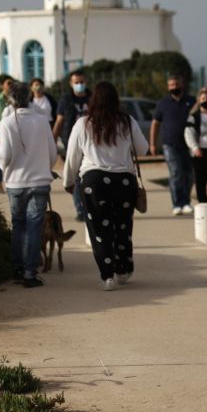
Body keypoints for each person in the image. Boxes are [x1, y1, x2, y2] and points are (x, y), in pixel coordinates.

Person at [62, 81, 149, 291]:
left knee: (99, 229)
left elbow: (72, 156)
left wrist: (68, 181)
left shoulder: (83, 123)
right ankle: (124, 269)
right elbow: (143, 149)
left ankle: (107, 275)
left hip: (94, 182)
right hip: (123, 182)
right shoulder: (127, 121)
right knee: (122, 226)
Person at [0, 80, 57, 289]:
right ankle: (30, 273)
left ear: (10, 99)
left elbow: (4, 156)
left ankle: (17, 268)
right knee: (34, 227)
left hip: (15, 182)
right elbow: (53, 153)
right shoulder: (41, 121)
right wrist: (44, 168)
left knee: (18, 225)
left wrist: (4, 170)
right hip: (40, 182)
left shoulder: (6, 122)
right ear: (30, 97)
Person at [149, 73, 196, 216]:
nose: (173, 87)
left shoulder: (191, 101)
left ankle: (186, 202)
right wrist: (152, 143)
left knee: (188, 174)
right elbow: (155, 123)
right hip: (170, 144)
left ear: (181, 85)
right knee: (176, 173)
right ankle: (177, 204)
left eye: (175, 85)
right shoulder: (163, 103)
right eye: (170, 85)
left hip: (188, 145)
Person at [53, 70, 92, 221]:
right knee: (76, 177)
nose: (79, 85)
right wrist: (52, 140)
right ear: (71, 84)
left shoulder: (92, 98)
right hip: (70, 144)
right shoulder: (66, 99)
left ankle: (89, 206)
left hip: (90, 144)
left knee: (88, 177)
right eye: (76, 82)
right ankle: (81, 209)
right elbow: (59, 121)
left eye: (81, 82)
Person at [185, 86, 207, 205]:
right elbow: (188, 133)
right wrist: (195, 148)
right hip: (199, 152)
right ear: (199, 100)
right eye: (203, 98)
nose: (205, 100)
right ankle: (203, 203)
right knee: (200, 179)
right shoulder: (193, 116)